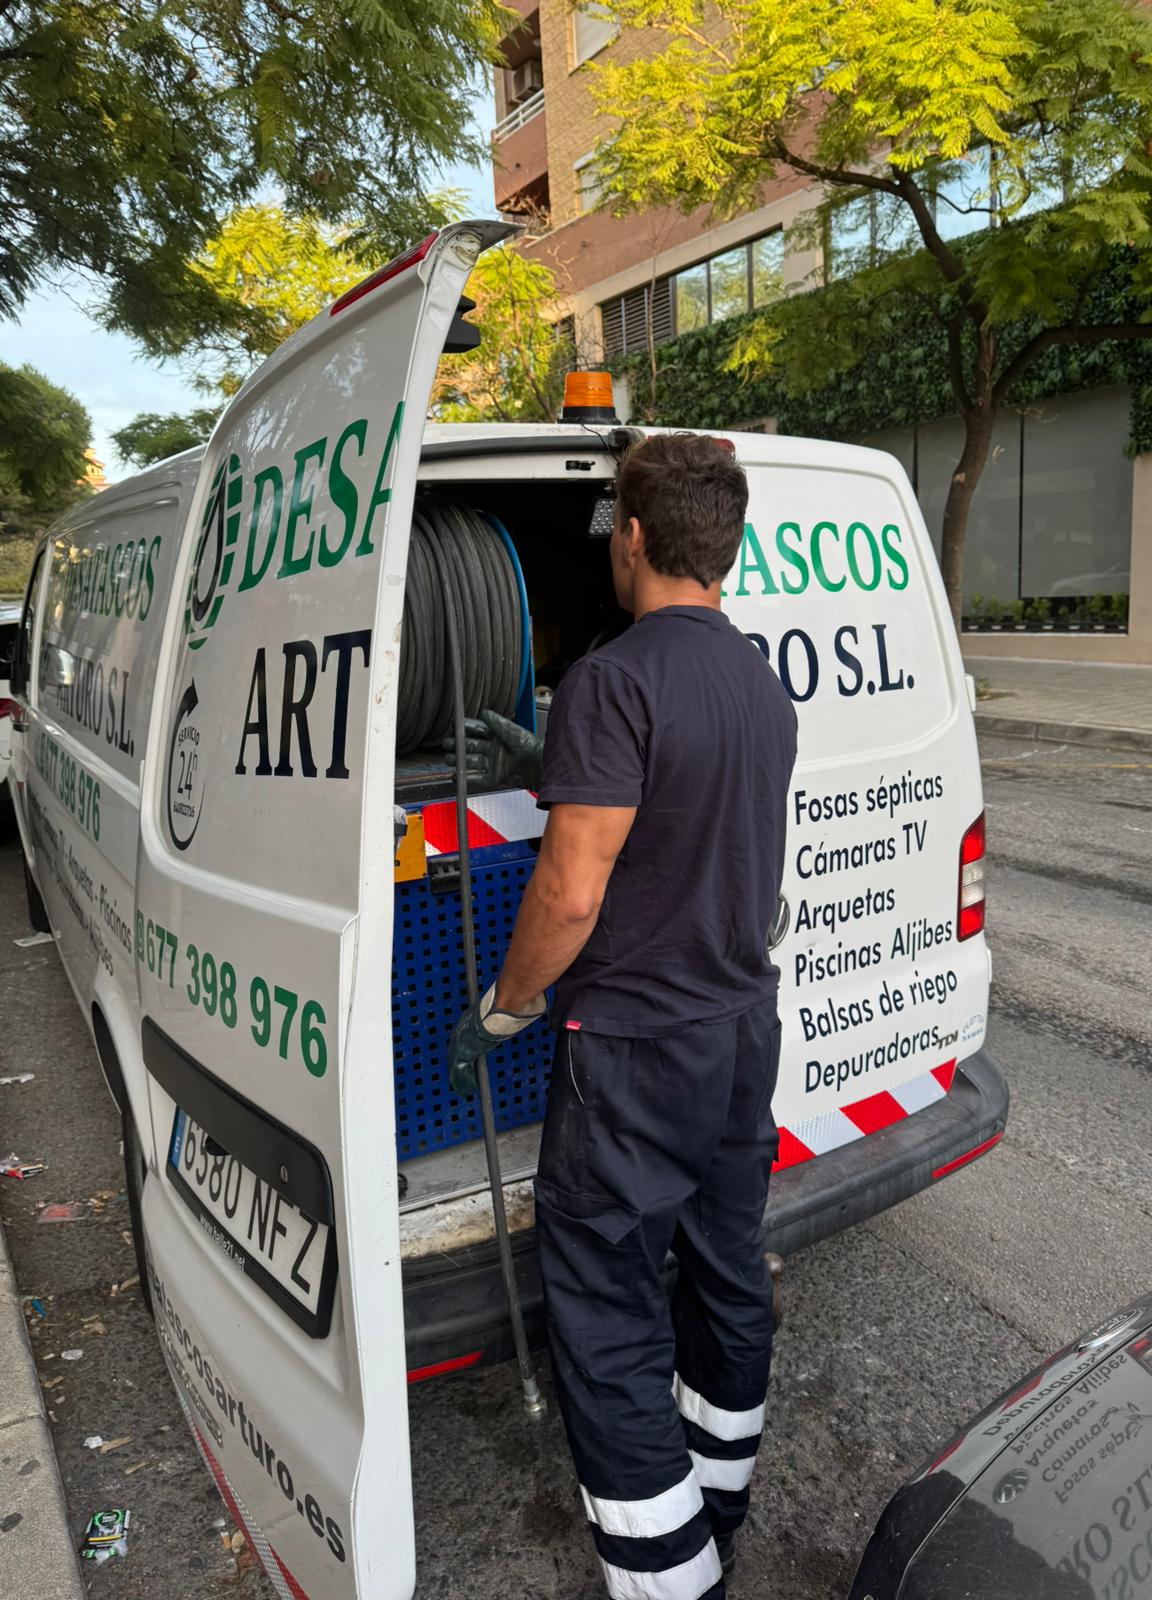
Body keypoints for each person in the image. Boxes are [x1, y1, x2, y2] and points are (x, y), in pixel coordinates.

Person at [447, 432, 797, 1600]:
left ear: (633, 537)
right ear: (726, 546)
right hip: (741, 1032)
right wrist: (553, 760)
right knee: (726, 1275)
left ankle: (670, 1578)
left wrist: (506, 1010)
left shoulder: (613, 678)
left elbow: (570, 893)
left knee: (606, 1312)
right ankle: (716, 1517)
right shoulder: (759, 682)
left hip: (638, 1052)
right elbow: (691, 808)